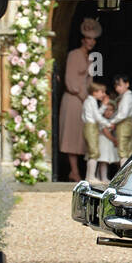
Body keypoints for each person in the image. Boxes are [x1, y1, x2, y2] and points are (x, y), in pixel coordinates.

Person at [59, 17, 101, 182]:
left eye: (93, 39)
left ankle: (80, 172)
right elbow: (70, 81)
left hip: (84, 100)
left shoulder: (91, 58)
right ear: (83, 39)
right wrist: (84, 96)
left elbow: (89, 81)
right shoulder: (74, 54)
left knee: (82, 136)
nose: (91, 42)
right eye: (88, 39)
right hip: (74, 100)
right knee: (72, 135)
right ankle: (74, 171)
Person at [82, 80, 116, 185]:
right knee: (94, 152)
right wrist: (107, 124)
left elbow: (97, 114)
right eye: (102, 92)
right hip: (91, 127)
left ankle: (89, 176)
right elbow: (97, 117)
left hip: (92, 127)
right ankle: (90, 177)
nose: (104, 94)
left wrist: (104, 106)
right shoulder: (91, 101)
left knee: (94, 152)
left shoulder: (91, 101)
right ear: (95, 92)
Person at [108, 73, 132, 162]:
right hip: (128, 125)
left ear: (127, 84)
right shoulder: (128, 96)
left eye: (119, 85)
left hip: (124, 125)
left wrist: (113, 121)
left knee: (123, 151)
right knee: (128, 150)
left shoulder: (127, 97)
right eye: (116, 86)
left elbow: (123, 114)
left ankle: (125, 175)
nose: (117, 88)